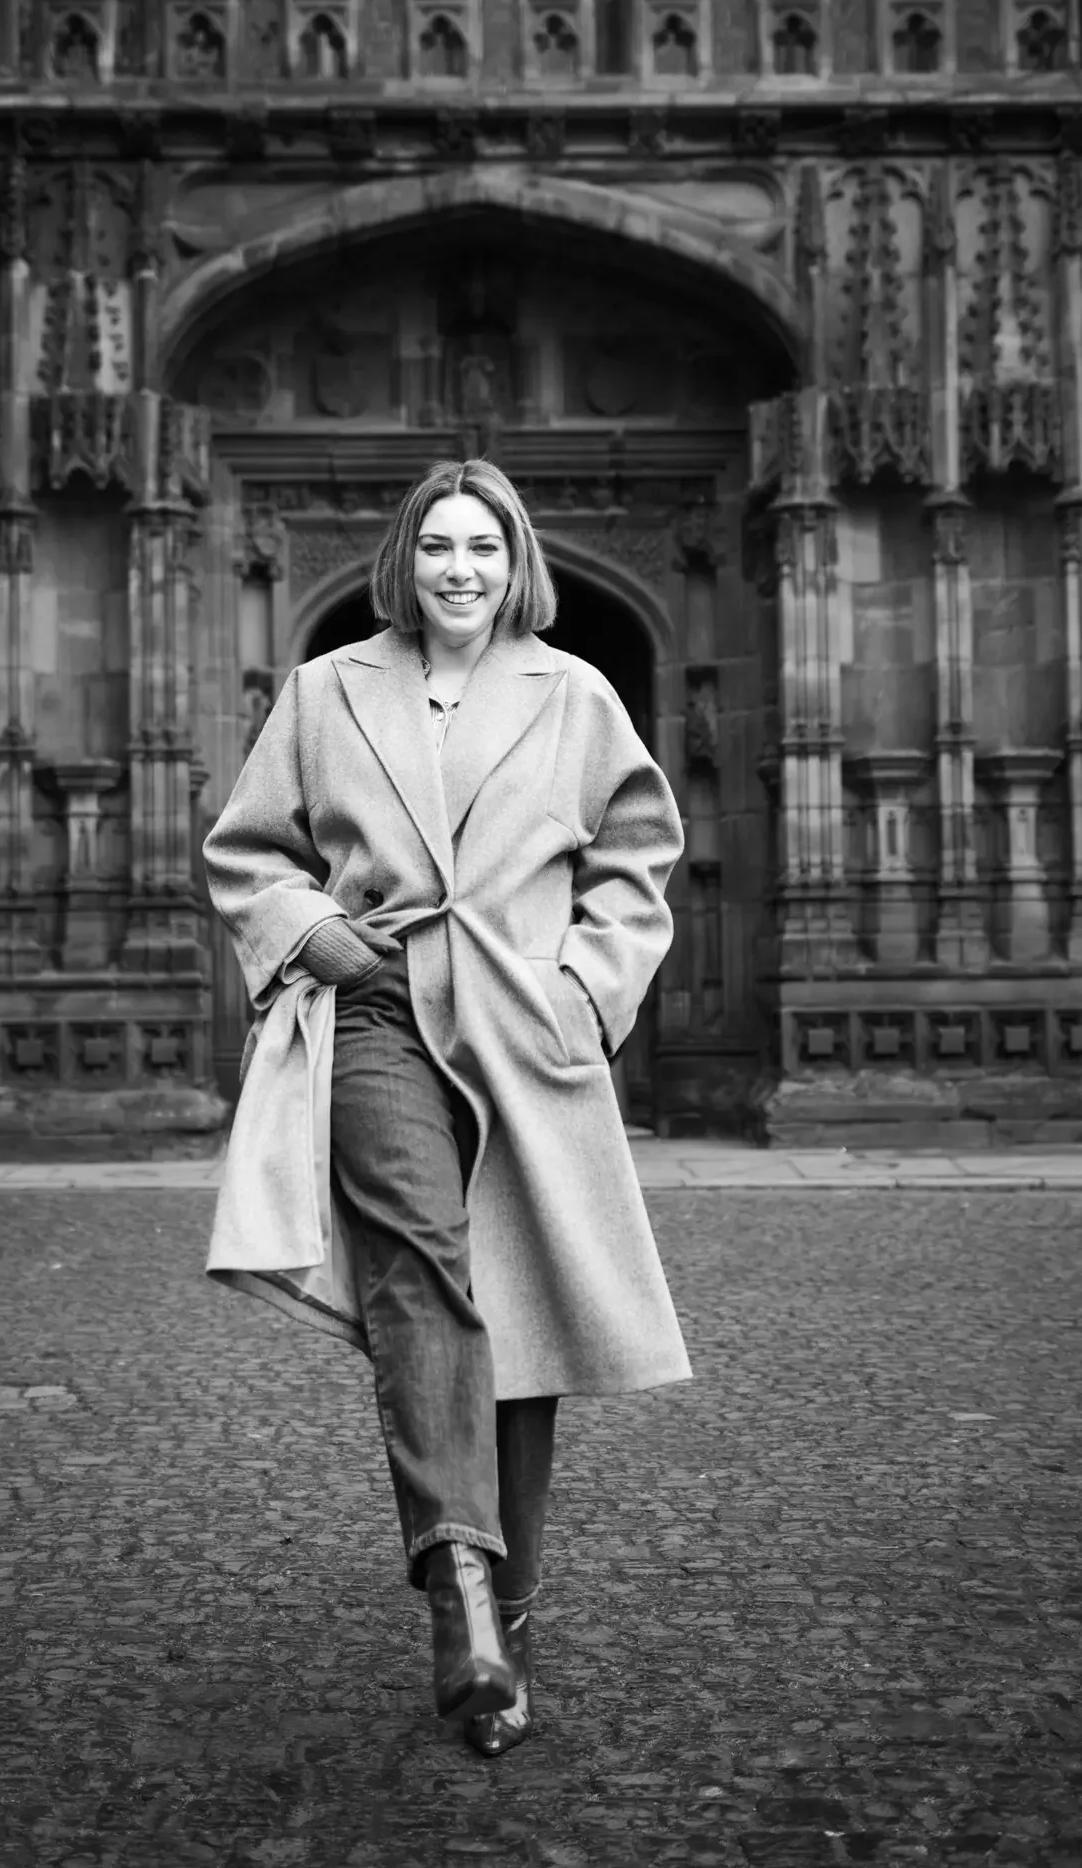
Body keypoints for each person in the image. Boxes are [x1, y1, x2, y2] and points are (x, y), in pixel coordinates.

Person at [202, 458, 691, 1755]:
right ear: (403, 560)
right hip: (377, 1015)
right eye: (436, 547)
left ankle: (509, 1620)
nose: (459, 569)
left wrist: (587, 991)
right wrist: (316, 935)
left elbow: (640, 857)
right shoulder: (324, 691)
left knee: (515, 1324)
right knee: (421, 1275)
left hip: (527, 1029)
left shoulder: (576, 692)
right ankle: (461, 1585)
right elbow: (250, 850)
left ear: (515, 559)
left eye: (482, 546)